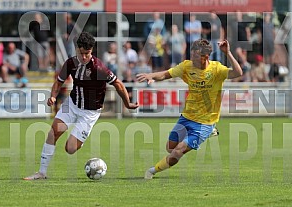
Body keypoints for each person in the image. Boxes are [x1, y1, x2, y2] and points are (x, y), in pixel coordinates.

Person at [24, 32, 139, 180]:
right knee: (53, 132)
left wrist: (127, 103)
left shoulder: (99, 68)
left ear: (91, 51)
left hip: (90, 112)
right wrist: (53, 95)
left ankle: (78, 140)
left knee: (70, 149)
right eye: (81, 53)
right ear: (77, 49)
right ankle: (41, 172)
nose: (84, 57)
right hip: (72, 105)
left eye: (87, 53)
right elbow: (59, 82)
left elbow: (118, 84)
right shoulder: (70, 64)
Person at [136, 39, 242, 179]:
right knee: (170, 148)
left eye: (196, 56)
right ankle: (209, 133)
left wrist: (227, 53)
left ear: (205, 57)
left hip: (205, 122)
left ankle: (151, 171)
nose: (192, 59)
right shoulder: (187, 66)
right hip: (187, 117)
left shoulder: (217, 69)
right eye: (192, 55)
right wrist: (151, 76)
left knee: (177, 152)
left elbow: (238, 72)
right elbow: (166, 74)